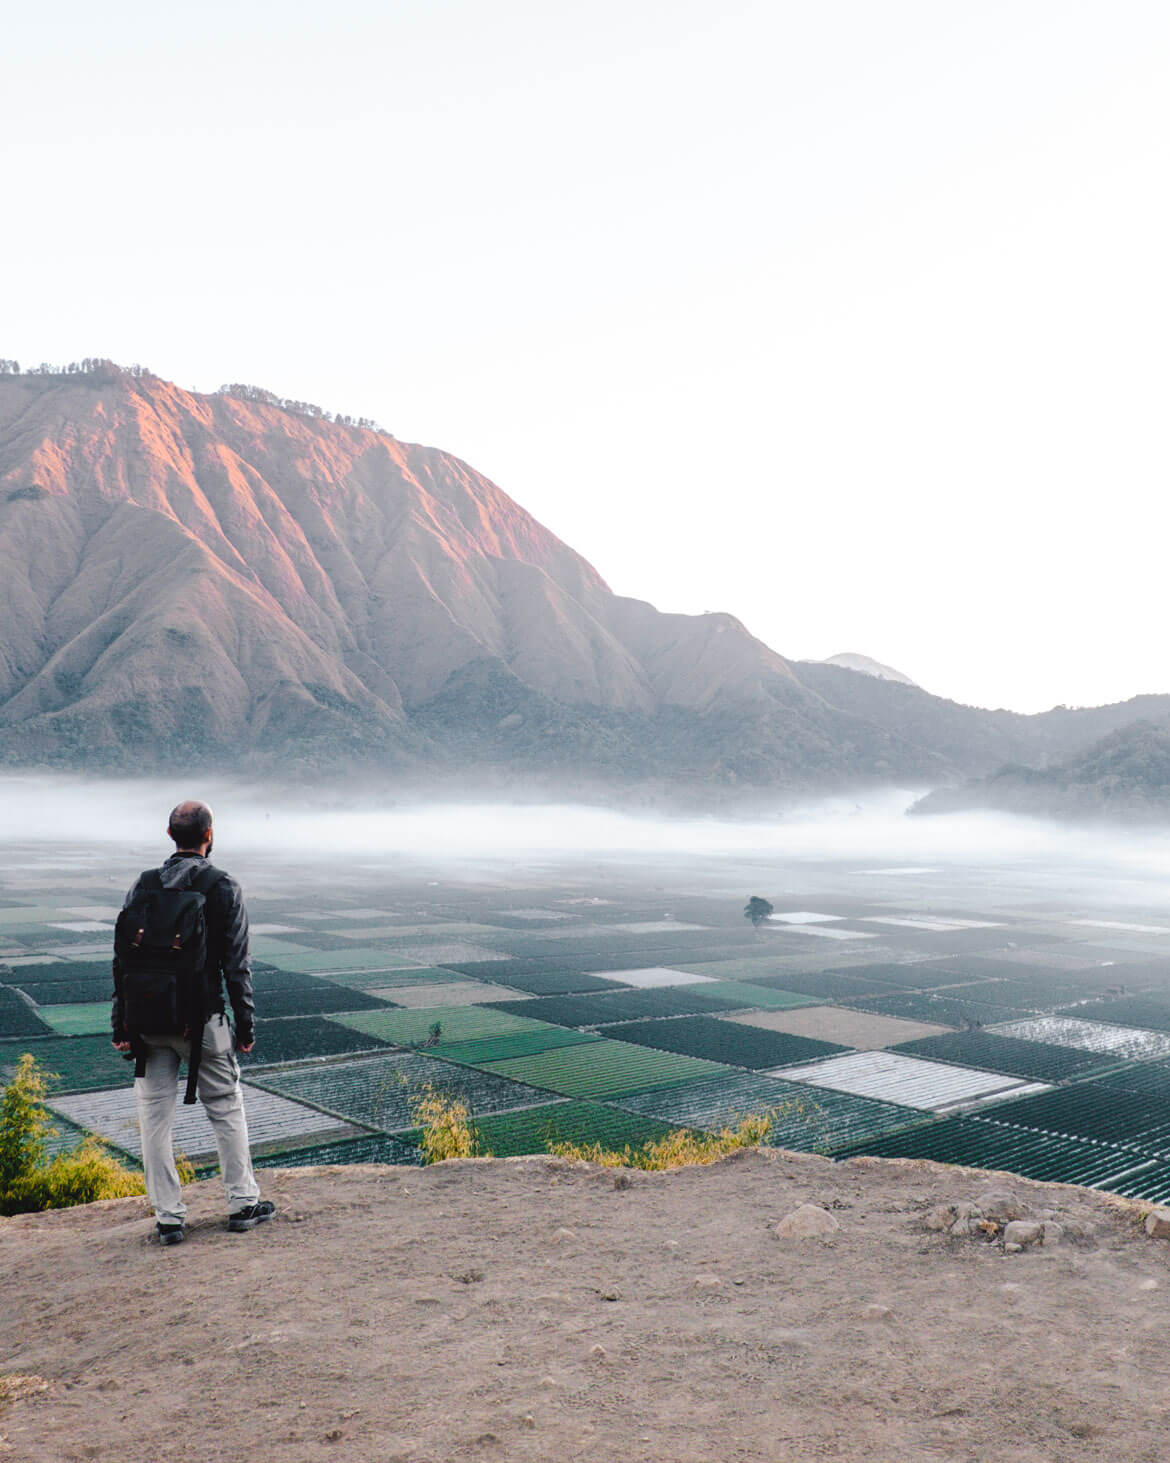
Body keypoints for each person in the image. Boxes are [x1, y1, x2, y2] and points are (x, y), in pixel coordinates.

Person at [111, 800, 274, 1245]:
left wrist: (121, 1025)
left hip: (147, 1023)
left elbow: (122, 961)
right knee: (225, 1107)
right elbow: (237, 967)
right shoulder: (223, 887)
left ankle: (168, 1218)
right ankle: (242, 1204)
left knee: (154, 1119)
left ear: (169, 835)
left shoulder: (142, 885)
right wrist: (246, 1026)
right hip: (201, 1021)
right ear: (210, 834)